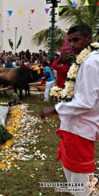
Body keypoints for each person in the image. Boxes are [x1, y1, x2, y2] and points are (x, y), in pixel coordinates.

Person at [40, 23, 99, 196]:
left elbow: (86, 102)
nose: (72, 44)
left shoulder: (90, 62)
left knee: (81, 183)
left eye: (76, 40)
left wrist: (54, 109)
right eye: (70, 40)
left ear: (89, 39)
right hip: (77, 128)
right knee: (82, 179)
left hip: (79, 130)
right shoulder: (89, 59)